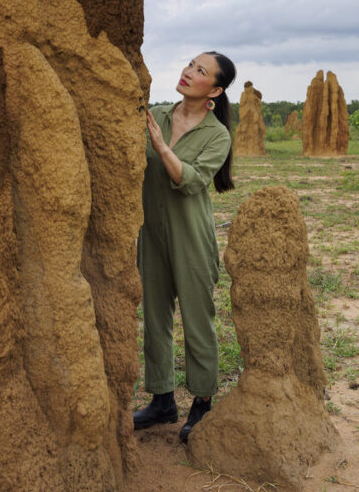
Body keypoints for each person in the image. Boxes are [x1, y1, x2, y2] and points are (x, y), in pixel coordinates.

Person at [133, 51, 236, 443]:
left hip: (192, 237)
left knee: (197, 319)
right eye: (190, 65)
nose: (188, 72)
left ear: (215, 89)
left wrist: (162, 147)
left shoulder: (217, 134)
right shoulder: (155, 114)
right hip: (152, 233)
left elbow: (191, 181)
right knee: (155, 316)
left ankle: (202, 400)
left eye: (200, 71)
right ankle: (162, 400)